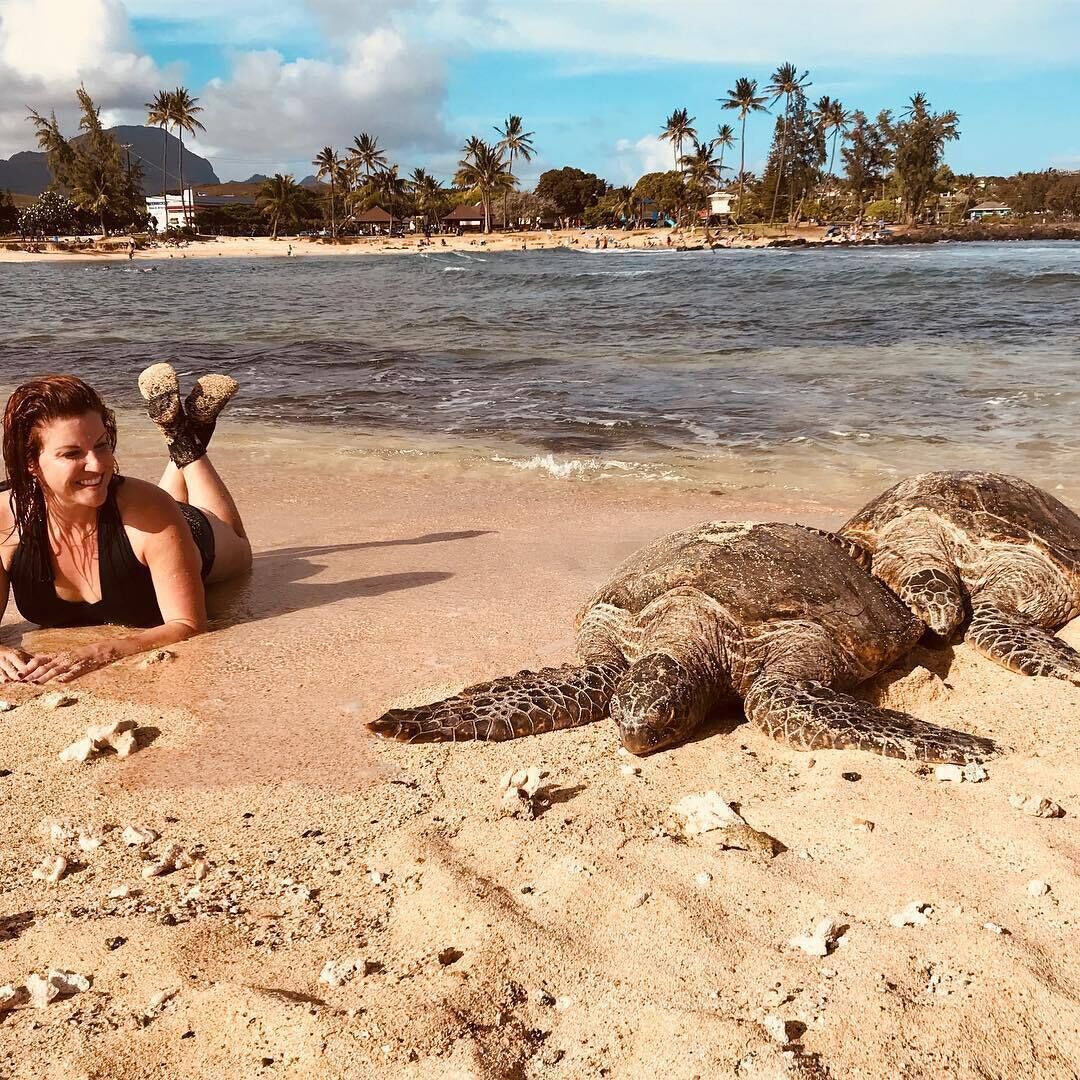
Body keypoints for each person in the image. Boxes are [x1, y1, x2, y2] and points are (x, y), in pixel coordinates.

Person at [0, 369, 252, 684]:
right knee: (152, 503)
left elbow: (187, 623)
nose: (98, 463)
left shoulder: (150, 507)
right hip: (145, 521)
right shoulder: (5, 523)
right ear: (31, 462)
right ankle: (183, 433)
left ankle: (187, 442)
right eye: (72, 453)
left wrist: (101, 652)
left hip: (185, 529)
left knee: (240, 547)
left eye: (102, 445)